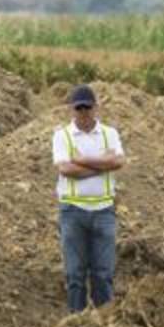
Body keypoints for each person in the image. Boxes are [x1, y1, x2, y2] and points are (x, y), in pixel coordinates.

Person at [53, 84, 126, 313]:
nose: (83, 113)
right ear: (72, 110)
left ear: (95, 107)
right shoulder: (62, 135)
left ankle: (104, 319)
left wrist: (82, 159)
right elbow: (65, 168)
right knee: (75, 273)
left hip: (104, 210)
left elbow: (119, 162)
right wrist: (101, 164)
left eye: (87, 108)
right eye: (79, 108)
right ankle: (77, 319)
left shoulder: (109, 134)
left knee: (103, 273)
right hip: (73, 211)